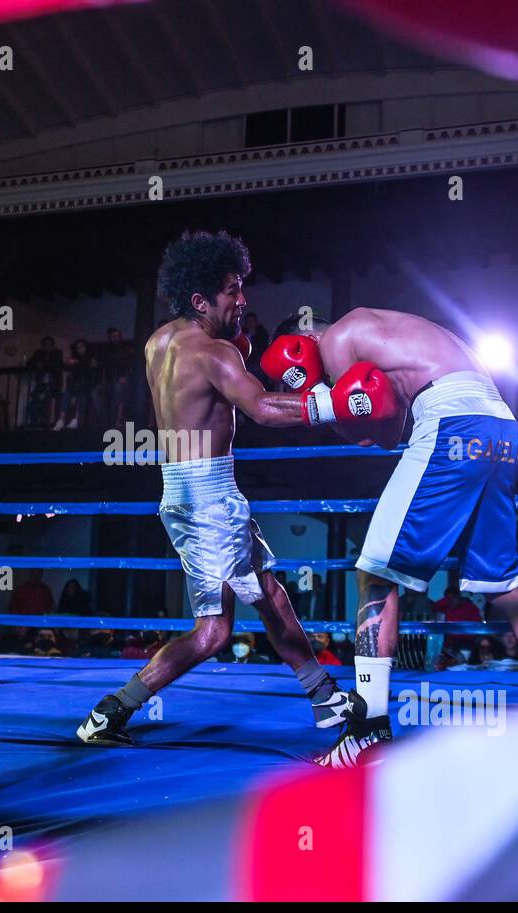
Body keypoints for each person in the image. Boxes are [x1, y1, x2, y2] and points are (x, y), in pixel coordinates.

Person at [75, 231, 378, 746]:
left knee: (270, 594)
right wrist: (333, 403)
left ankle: (325, 699)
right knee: (214, 633)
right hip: (208, 499)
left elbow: (208, 398)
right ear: (201, 300)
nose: (243, 300)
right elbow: (260, 407)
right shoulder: (215, 354)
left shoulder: (160, 342)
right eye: (233, 290)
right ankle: (108, 713)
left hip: (189, 490)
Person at [262, 306, 518, 767]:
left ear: (302, 336)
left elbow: (350, 418)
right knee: (503, 586)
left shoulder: (335, 339)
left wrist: (311, 389)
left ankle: (368, 728)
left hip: (452, 423)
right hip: (499, 430)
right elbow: (386, 433)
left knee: (374, 576)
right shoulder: (389, 335)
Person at [55, 338, 96, 430]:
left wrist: (76, 363)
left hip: (86, 385)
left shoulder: (90, 357)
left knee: (81, 394)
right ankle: (61, 420)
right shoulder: (73, 358)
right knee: (65, 395)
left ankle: (76, 419)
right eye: (78, 348)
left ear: (86, 348)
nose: (80, 349)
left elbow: (91, 367)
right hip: (73, 385)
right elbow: (68, 372)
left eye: (82, 347)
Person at [25, 336, 63, 428]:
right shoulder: (38, 353)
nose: (47, 346)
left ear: (53, 346)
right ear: (42, 346)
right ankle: (34, 422)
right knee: (33, 399)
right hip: (41, 383)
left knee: (47, 398)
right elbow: (29, 363)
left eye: (50, 344)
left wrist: (43, 363)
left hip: (53, 383)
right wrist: (37, 364)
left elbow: (57, 364)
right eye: (45, 345)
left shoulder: (57, 353)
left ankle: (45, 422)